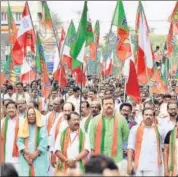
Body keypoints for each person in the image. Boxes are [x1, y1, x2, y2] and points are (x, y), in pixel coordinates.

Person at [89, 95, 129, 163]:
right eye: (106, 104)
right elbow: (92, 140)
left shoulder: (122, 119)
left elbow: (126, 136)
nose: (108, 105)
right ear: (102, 106)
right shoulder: (95, 120)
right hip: (99, 158)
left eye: (110, 103)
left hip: (116, 159)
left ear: (114, 105)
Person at [127, 108, 164, 176]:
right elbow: (130, 147)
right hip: (138, 164)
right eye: (146, 114)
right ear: (142, 115)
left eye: (150, 115)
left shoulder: (160, 130)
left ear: (154, 116)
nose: (148, 116)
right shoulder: (135, 129)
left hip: (153, 165)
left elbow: (163, 147)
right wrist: (129, 164)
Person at [17, 107, 48, 176]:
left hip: (39, 157)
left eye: (33, 114)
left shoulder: (42, 127)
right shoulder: (23, 127)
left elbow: (44, 143)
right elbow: (19, 141)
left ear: (36, 115)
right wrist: (27, 155)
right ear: (27, 116)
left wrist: (34, 155)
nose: (31, 116)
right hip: (25, 158)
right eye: (29, 115)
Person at [1, 101, 20, 173]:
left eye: (13, 108)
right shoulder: (2, 122)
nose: (11, 109)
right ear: (6, 110)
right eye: (9, 108)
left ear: (16, 109)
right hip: (6, 156)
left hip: (18, 158)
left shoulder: (22, 121)